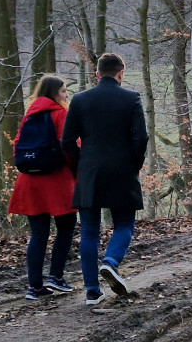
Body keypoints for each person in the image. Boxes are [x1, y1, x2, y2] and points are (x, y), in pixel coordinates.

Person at [62, 53, 149, 306]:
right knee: (124, 224)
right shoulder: (131, 98)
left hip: (89, 172)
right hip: (122, 170)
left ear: (97, 74)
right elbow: (140, 138)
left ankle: (92, 291)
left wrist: (80, 165)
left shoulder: (79, 100)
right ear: (121, 73)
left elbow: (66, 141)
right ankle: (110, 262)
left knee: (89, 231)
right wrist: (134, 164)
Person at [7, 74, 78, 300]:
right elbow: (68, 145)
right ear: (54, 93)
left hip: (30, 181)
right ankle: (56, 276)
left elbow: (17, 145)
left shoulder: (29, 114)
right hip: (56, 180)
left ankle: (34, 287)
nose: (66, 95)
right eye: (64, 91)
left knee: (38, 233)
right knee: (66, 227)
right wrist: (77, 170)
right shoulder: (60, 114)